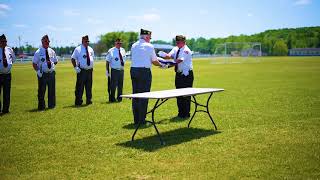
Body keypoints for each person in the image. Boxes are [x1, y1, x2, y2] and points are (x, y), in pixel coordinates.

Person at [130, 28, 167, 125]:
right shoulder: (149, 46)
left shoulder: (133, 45)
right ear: (146, 37)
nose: (150, 39)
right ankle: (142, 120)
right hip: (144, 71)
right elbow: (154, 61)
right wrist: (162, 65)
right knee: (144, 95)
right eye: (150, 37)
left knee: (135, 95)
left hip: (133, 70)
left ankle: (136, 119)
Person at [158, 35, 193, 118]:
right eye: (176, 42)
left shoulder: (186, 50)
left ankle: (186, 113)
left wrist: (167, 65)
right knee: (178, 94)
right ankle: (180, 113)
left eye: (178, 42)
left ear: (184, 42)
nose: (177, 43)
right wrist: (162, 56)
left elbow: (179, 60)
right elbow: (169, 56)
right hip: (178, 74)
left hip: (186, 75)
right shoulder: (175, 48)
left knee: (186, 95)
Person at [32, 35, 58, 110]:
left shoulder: (52, 51)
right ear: (42, 42)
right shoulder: (38, 52)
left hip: (51, 73)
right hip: (42, 74)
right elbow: (34, 64)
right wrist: (38, 71)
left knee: (52, 90)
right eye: (46, 41)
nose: (47, 42)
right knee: (41, 91)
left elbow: (55, 61)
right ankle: (41, 107)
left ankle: (51, 105)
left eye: (48, 41)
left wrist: (50, 67)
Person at [71, 35, 94, 106]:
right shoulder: (78, 49)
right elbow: (72, 58)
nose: (87, 42)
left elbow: (92, 58)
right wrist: (76, 67)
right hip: (82, 70)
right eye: (86, 41)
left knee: (89, 86)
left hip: (89, 70)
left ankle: (89, 100)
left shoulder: (90, 49)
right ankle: (78, 101)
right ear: (82, 41)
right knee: (80, 87)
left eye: (88, 41)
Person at [106, 38, 126, 102]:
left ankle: (119, 98)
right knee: (113, 85)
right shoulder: (111, 51)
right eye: (118, 43)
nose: (119, 44)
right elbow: (107, 61)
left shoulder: (123, 50)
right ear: (115, 43)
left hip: (121, 70)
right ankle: (112, 98)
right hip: (114, 70)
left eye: (120, 43)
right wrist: (107, 71)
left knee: (120, 85)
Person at [0, 34, 15, 114]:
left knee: (7, 93)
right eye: (3, 41)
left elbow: (13, 59)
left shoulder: (9, 49)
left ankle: (6, 110)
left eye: (5, 41)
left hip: (8, 75)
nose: (4, 42)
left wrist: (9, 65)